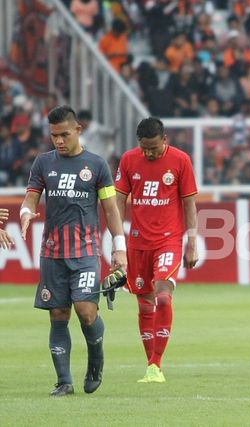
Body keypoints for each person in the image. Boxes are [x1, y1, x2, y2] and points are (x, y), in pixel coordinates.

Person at [20, 105, 128, 396]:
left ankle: (96, 359)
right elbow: (31, 197)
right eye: (54, 135)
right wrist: (26, 212)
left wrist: (120, 248)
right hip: (52, 252)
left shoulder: (96, 165)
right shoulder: (43, 163)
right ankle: (64, 381)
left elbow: (110, 209)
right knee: (58, 313)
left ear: (78, 130)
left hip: (85, 252)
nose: (58, 140)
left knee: (86, 312)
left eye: (64, 134)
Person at [115, 117, 198, 383]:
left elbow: (189, 204)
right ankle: (152, 366)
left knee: (163, 298)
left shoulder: (181, 160)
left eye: (153, 147)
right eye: (144, 148)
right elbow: (117, 201)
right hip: (137, 242)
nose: (149, 153)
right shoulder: (128, 160)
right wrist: (118, 242)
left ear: (165, 140)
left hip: (168, 240)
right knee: (144, 303)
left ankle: (155, 363)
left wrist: (192, 243)